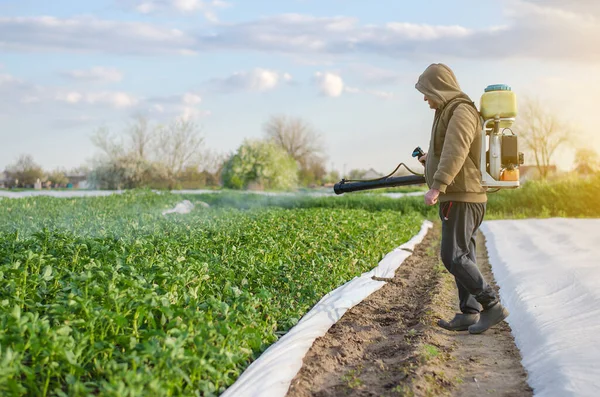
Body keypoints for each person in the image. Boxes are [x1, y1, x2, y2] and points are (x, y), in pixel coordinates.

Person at [414, 63, 509, 334]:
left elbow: (456, 150)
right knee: (463, 253)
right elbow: (448, 150)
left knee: (453, 256)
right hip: (460, 196)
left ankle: (491, 306)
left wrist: (438, 186)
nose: (424, 98)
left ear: (439, 87)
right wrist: (428, 160)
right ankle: (470, 312)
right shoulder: (449, 111)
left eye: (426, 91)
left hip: (463, 197)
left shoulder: (462, 111)